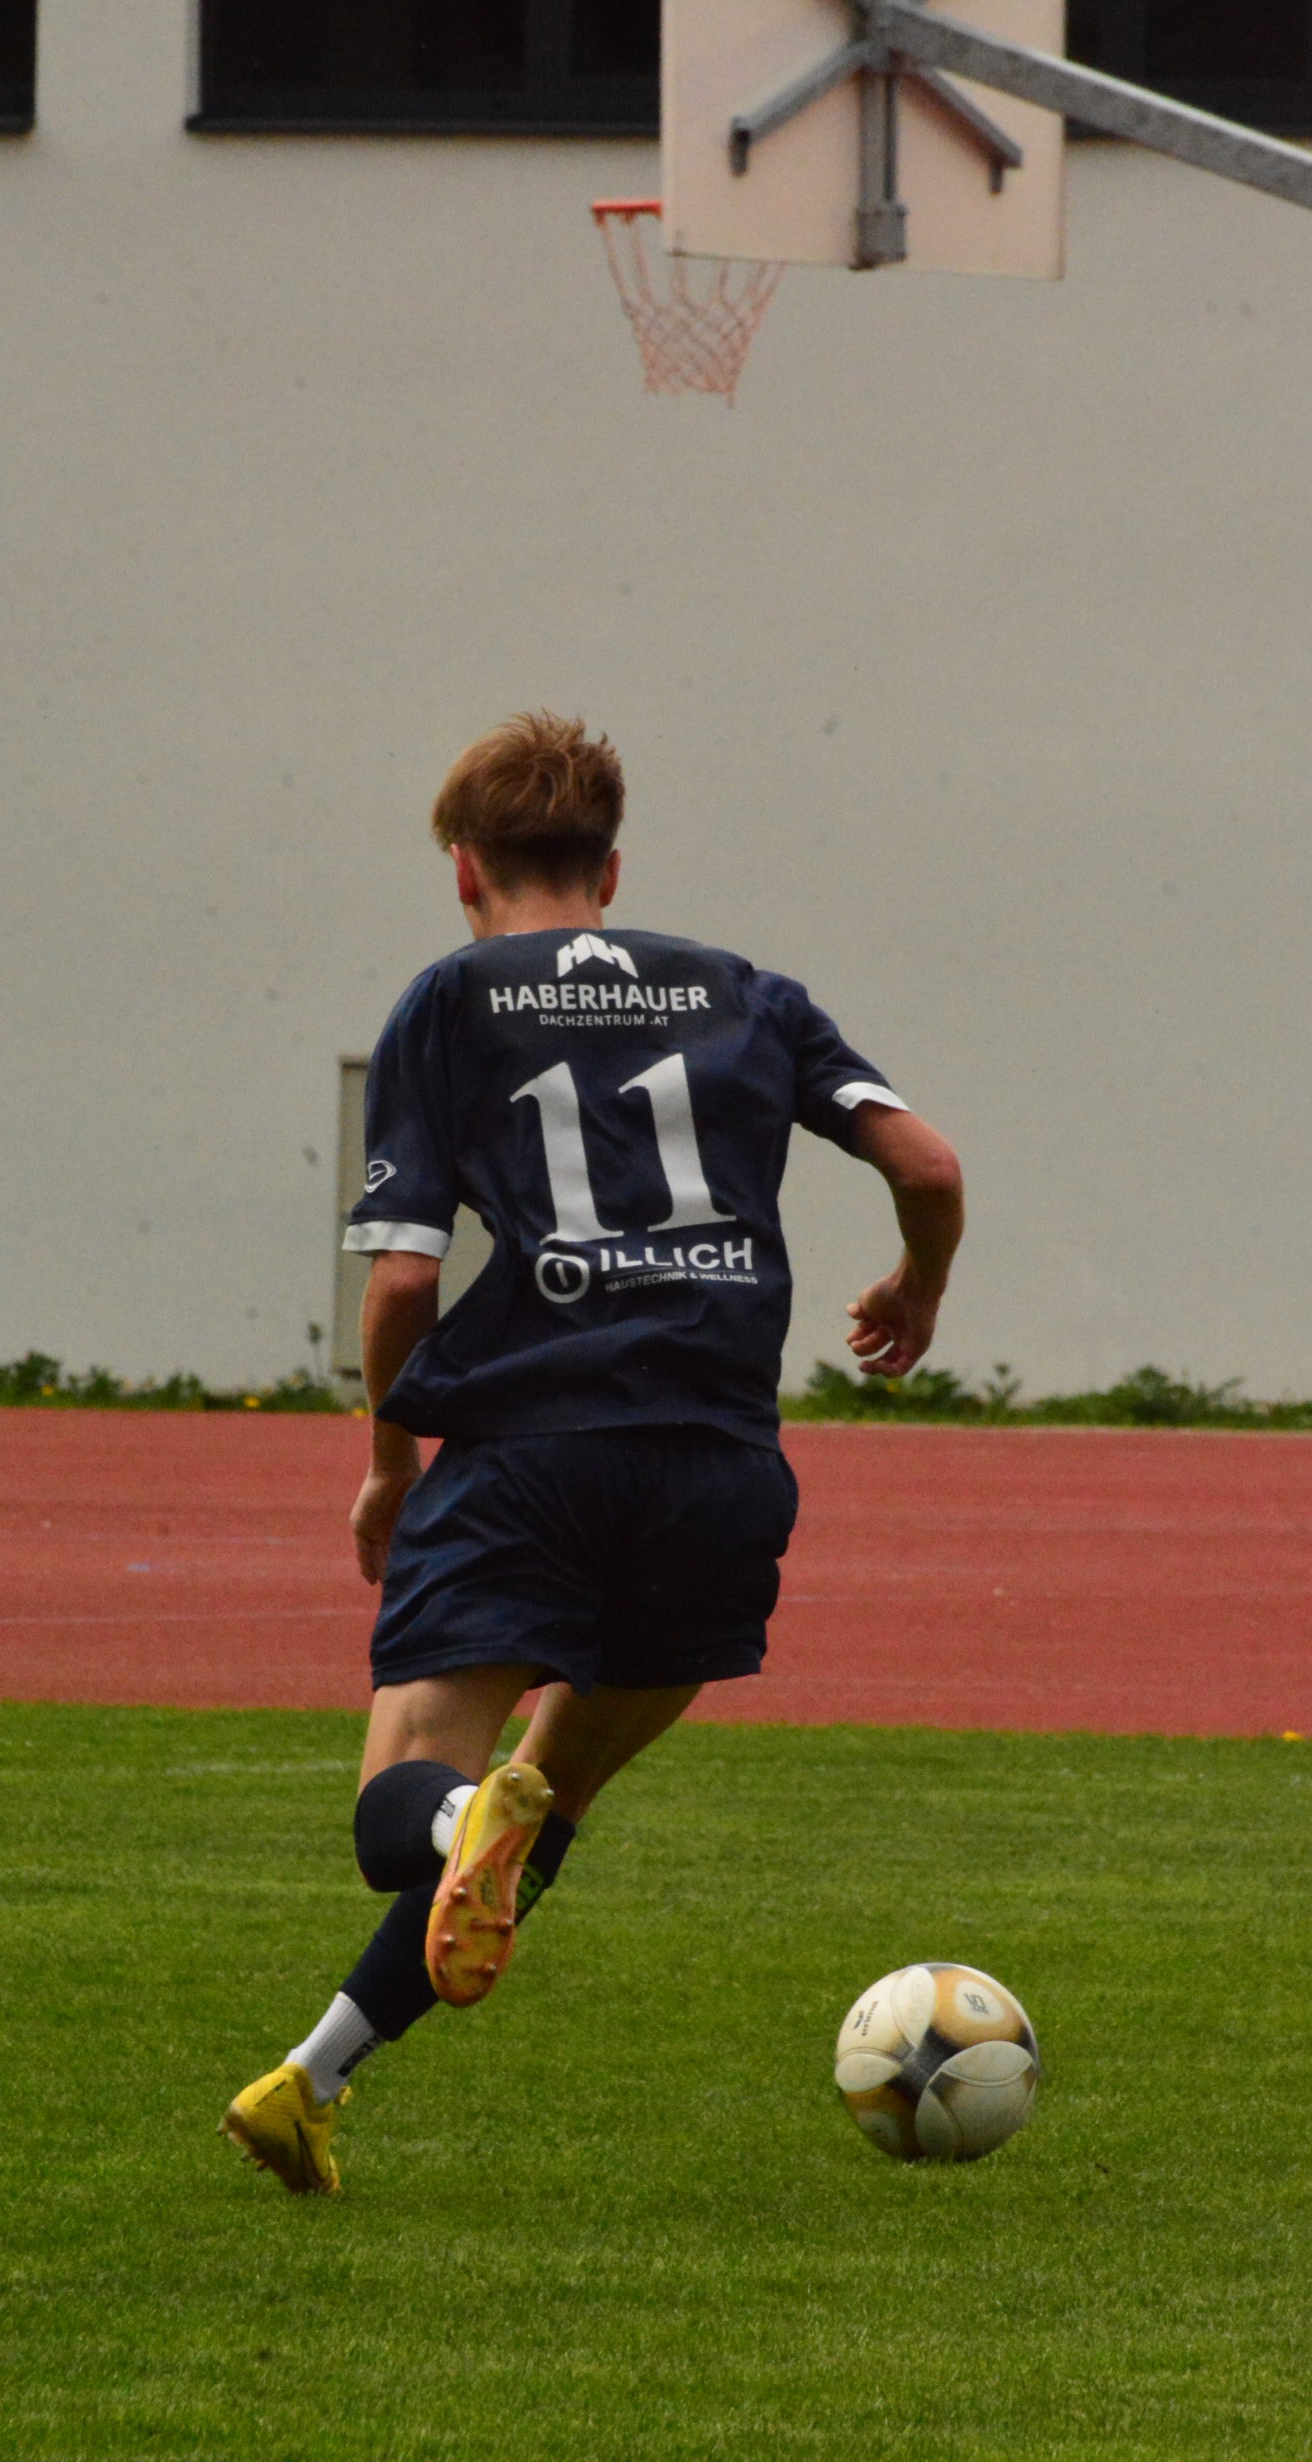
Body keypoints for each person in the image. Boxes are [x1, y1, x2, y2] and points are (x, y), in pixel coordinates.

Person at [221, 711, 964, 2194]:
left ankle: (459, 1815)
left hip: (532, 1457)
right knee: (547, 1797)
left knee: (404, 1809)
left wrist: (388, 1464)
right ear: (610, 868)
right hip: (720, 1470)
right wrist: (918, 1287)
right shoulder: (748, 991)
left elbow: (406, 1283)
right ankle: (309, 2084)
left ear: (463, 868)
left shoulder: (452, 999)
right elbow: (928, 1165)